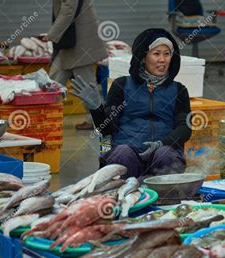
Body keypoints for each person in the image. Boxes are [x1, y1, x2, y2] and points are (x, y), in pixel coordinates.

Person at [71, 28, 192, 179]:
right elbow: (107, 129)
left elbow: (185, 128)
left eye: (167, 54)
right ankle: (125, 197)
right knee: (122, 153)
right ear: (143, 58)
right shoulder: (121, 85)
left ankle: (164, 199)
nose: (162, 59)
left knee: (165, 155)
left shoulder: (179, 90)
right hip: (128, 153)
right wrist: (96, 108)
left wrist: (161, 144)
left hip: (161, 153)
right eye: (156, 54)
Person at [46, 0, 107, 130]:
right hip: (71, 43)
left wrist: (52, 34)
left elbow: (68, 10)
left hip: (80, 44)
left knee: (86, 84)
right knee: (53, 81)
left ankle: (99, 119)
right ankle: (49, 116)